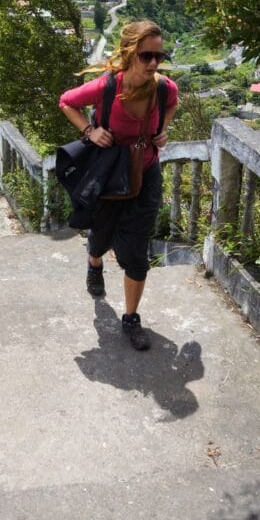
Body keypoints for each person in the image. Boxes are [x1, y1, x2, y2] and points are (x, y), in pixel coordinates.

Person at [58, 19, 179, 350]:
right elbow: (66, 101)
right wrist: (89, 131)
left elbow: (172, 105)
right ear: (129, 54)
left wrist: (164, 130)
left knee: (137, 251)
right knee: (101, 235)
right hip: (109, 172)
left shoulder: (165, 87)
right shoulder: (107, 87)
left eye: (159, 56)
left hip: (145, 173)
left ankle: (131, 318)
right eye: (146, 56)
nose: (154, 63)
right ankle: (94, 261)